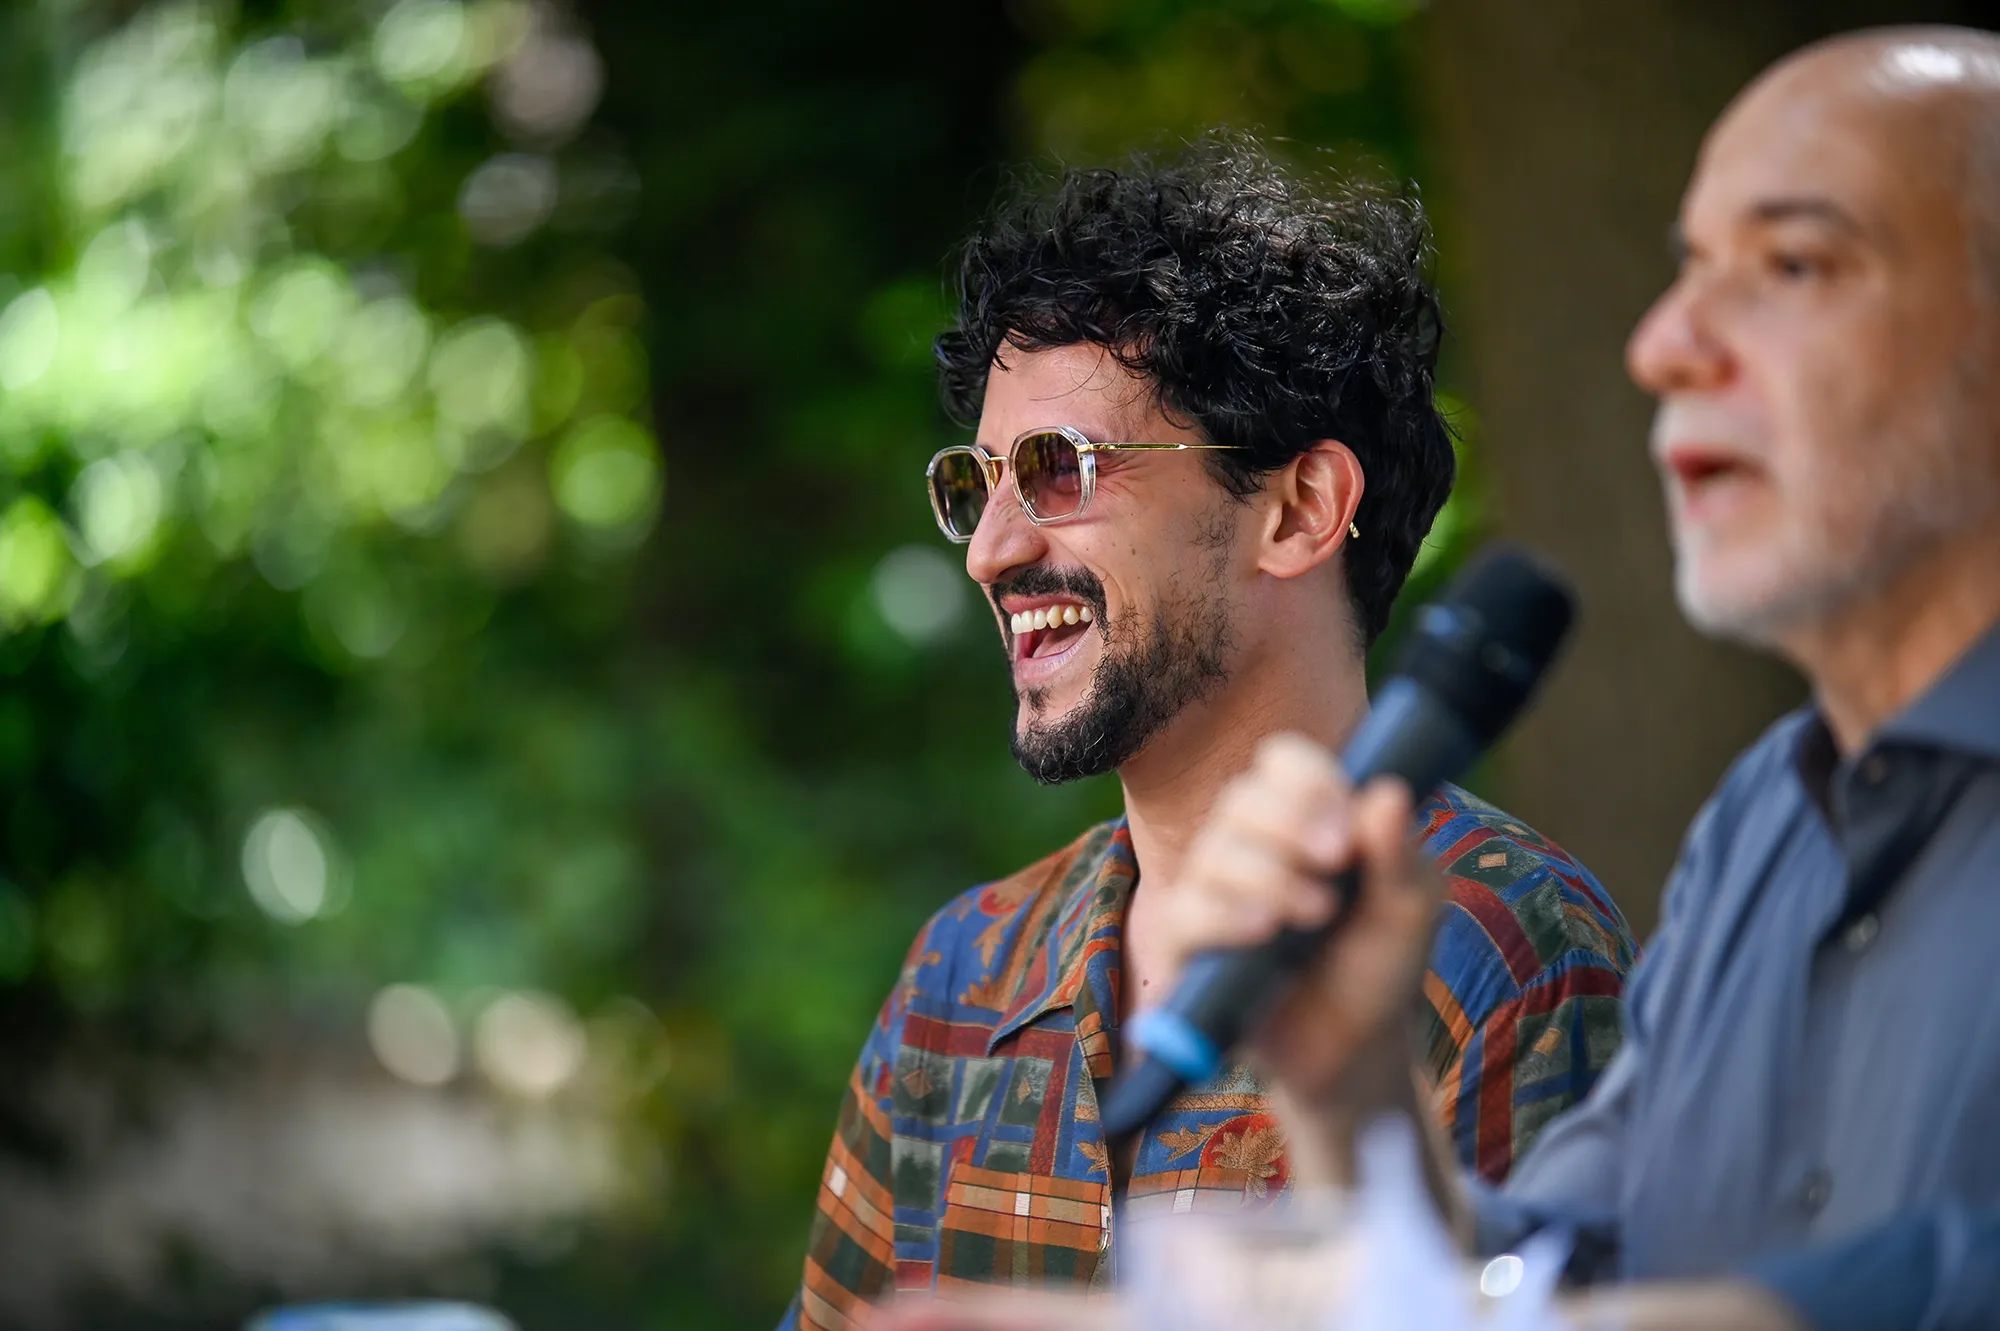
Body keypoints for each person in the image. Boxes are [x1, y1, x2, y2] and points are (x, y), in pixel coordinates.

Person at [884, 25, 2000, 1331]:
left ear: (1304, 509)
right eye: (1693, 269)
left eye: (1795, 261)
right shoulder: (1764, 828)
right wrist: (1357, 1105)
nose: (1664, 343)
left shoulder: (1508, 936)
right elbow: (1532, 1274)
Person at [779, 137, 1638, 1331]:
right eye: (979, 483)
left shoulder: (1496, 944)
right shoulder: (962, 974)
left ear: (1295, 509)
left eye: (1057, 468)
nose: (989, 549)